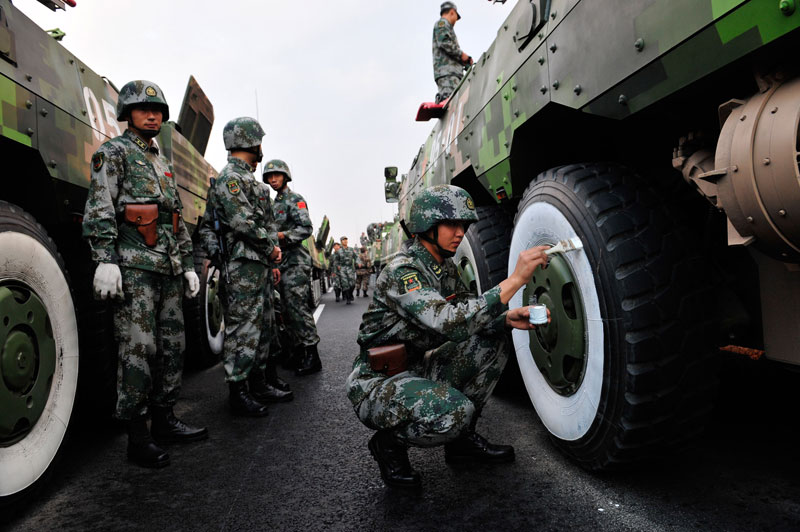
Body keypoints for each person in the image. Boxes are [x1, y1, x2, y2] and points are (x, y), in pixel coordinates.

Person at [346, 185, 550, 488]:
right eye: (452, 224)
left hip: (417, 366)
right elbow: (448, 323)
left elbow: (469, 312)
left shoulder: (443, 268)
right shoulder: (402, 272)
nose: (460, 233)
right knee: (456, 412)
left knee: (494, 337)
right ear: (426, 225)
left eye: (463, 225)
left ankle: (461, 442)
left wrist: (506, 318)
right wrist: (516, 279)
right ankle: (388, 443)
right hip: (378, 382)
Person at [83, 80, 206, 468]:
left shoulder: (162, 163)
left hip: (167, 268)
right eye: (142, 109)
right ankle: (137, 435)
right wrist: (105, 258)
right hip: (135, 267)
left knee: (173, 347)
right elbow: (100, 207)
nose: (152, 115)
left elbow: (176, 220)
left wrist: (187, 265)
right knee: (138, 350)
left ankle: (165, 420)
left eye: (157, 111)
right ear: (128, 114)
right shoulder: (113, 153)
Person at [199, 116, 281, 417]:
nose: (261, 148)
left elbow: (267, 224)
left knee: (262, 325)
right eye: (259, 141)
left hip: (258, 263)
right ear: (248, 142)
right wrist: (270, 247)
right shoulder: (230, 179)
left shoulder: (251, 182)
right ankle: (239, 389)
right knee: (243, 328)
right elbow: (242, 223)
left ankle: (258, 382)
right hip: (243, 264)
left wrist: (271, 254)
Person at [264, 159, 323, 376]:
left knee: (298, 307)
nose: (273, 180)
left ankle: (312, 354)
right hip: (281, 263)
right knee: (287, 310)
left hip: (296, 262)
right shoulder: (272, 204)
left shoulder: (294, 200)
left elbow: (305, 228)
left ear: (285, 176)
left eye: (276, 175)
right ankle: (298, 351)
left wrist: (282, 236)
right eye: (269, 177)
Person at [433, 1, 473, 104]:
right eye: (456, 16)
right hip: (448, 74)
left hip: (452, 73)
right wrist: (462, 55)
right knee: (450, 103)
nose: (456, 20)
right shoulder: (442, 24)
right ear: (452, 12)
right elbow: (445, 43)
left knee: (455, 102)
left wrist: (463, 61)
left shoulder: (445, 26)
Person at [337, 236, 358, 304]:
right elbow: (336, 260)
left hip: (350, 269)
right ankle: (348, 298)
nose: (345, 241)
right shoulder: (339, 251)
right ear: (341, 242)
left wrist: (358, 263)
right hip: (342, 269)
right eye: (343, 240)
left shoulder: (351, 249)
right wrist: (338, 266)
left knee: (352, 284)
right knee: (345, 285)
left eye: (346, 240)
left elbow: (356, 257)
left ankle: (351, 294)